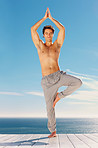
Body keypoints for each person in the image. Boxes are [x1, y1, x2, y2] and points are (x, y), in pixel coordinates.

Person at [31, 8, 82, 138]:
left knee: (78, 83)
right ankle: (53, 131)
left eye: (50, 33)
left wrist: (51, 19)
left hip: (58, 76)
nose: (48, 35)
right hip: (46, 81)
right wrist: (44, 18)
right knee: (49, 108)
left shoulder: (57, 46)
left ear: (52, 34)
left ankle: (60, 96)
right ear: (43, 35)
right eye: (46, 33)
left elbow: (63, 29)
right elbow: (32, 29)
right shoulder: (40, 46)